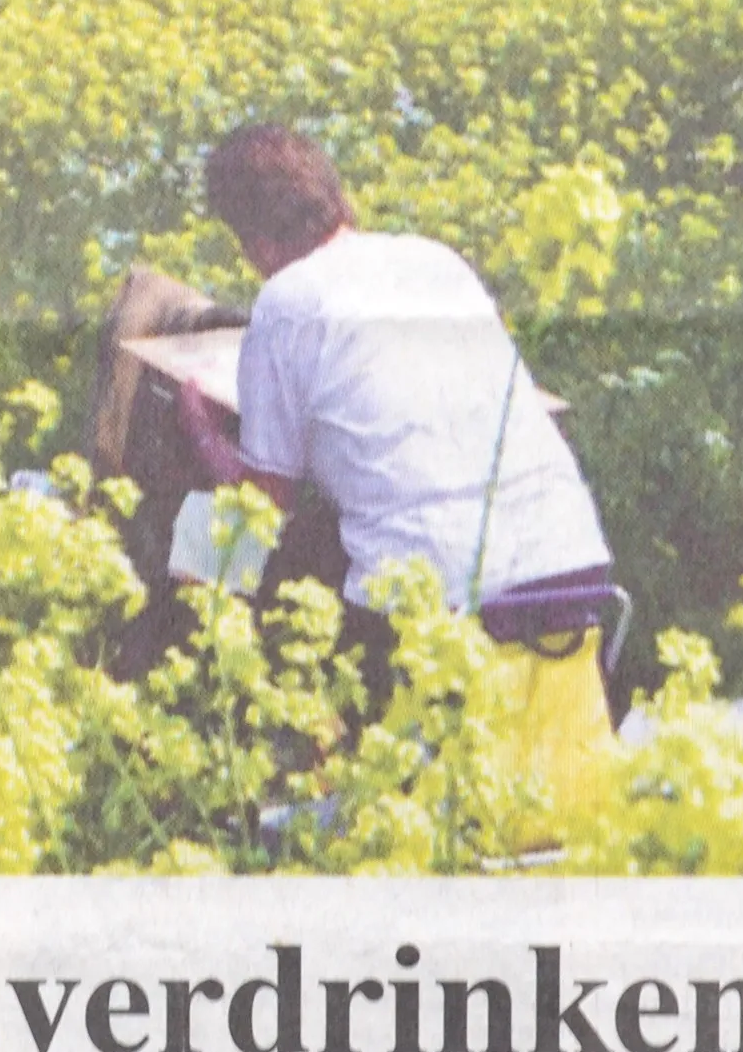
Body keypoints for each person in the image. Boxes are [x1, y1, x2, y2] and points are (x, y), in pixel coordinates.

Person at [178, 126, 617, 773]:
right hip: (575, 575)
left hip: (434, 608)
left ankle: (224, 749)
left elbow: (263, 508)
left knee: (206, 559)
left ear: (257, 245)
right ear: (341, 201)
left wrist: (201, 436)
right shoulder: (436, 260)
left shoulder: (286, 302)